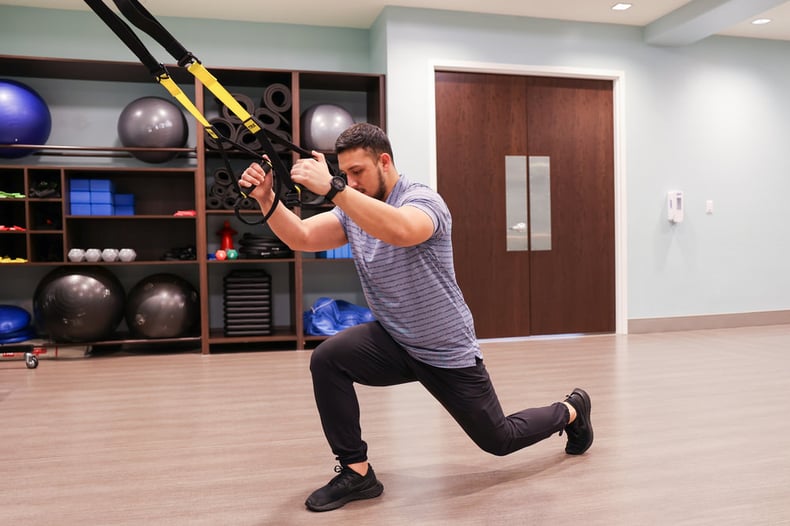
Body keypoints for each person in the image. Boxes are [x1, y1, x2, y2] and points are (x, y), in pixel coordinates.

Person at [239, 122, 593, 513]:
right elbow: (303, 237)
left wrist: (335, 189)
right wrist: (267, 199)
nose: (351, 181)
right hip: (393, 340)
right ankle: (357, 472)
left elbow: (404, 230)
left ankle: (572, 409)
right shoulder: (353, 206)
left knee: (499, 439)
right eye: (344, 174)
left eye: (358, 172)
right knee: (327, 359)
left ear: (384, 162)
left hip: (444, 348)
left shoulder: (422, 200)